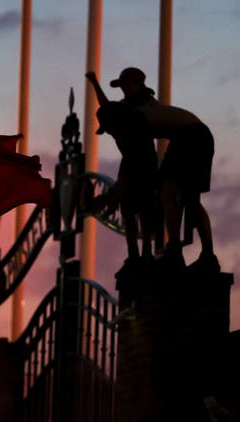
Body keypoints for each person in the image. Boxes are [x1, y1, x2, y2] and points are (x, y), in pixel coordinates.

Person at [108, 67, 219, 272]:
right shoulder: (143, 108)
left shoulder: (135, 115)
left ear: (136, 84)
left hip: (187, 137)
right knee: (190, 199)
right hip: (201, 136)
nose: (122, 90)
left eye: (125, 85)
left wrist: (116, 191)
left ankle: (175, 252)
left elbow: (134, 156)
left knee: (168, 192)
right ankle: (207, 254)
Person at [86, 71, 158, 278]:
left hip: (143, 162)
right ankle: (135, 255)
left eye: (126, 84)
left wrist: (110, 197)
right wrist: (94, 83)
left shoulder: (143, 107)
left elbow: (130, 173)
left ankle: (144, 254)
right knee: (128, 210)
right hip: (131, 161)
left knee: (143, 208)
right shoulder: (120, 111)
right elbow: (105, 104)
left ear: (136, 84)